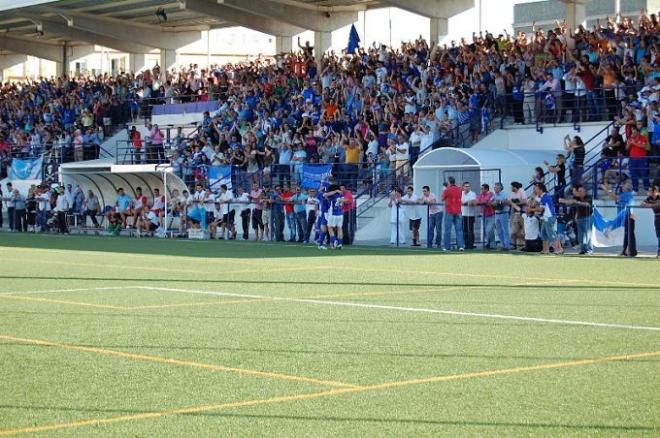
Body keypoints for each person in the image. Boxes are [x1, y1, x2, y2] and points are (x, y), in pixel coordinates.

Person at [605, 180, 636, 257]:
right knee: (627, 234)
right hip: (625, 216)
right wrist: (608, 190)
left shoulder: (626, 195)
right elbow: (615, 199)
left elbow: (614, 197)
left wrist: (608, 189)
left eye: (624, 185)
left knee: (629, 234)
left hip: (628, 216)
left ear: (627, 187)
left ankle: (631, 251)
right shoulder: (625, 195)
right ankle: (625, 250)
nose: (622, 186)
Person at [560, 185, 593, 254]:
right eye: (579, 191)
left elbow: (587, 204)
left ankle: (589, 249)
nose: (580, 192)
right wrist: (564, 201)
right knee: (580, 236)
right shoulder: (577, 198)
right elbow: (572, 203)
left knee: (588, 235)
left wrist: (576, 202)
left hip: (588, 218)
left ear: (584, 191)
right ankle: (583, 249)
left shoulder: (588, 197)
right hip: (580, 218)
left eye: (581, 191)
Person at [532, 183, 563, 255]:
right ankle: (545, 250)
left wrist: (531, 209)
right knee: (544, 234)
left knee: (551, 233)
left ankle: (558, 249)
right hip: (545, 217)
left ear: (540, 189)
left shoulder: (545, 196)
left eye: (536, 189)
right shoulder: (545, 196)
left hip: (549, 217)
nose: (534, 190)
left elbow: (540, 209)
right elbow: (539, 202)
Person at [626, 125, 651, 193]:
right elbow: (627, 148)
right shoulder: (630, 138)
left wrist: (634, 143)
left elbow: (643, 146)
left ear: (637, 131)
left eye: (634, 130)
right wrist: (629, 142)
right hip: (632, 158)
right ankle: (635, 189)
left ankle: (647, 188)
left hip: (642, 158)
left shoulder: (643, 137)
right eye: (632, 131)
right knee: (633, 174)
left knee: (644, 173)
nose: (632, 132)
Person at [442, 177, 464, 251]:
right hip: (458, 211)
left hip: (449, 211)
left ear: (449, 182)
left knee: (448, 230)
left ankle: (447, 247)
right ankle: (460, 246)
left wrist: (444, 189)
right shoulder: (459, 189)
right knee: (459, 230)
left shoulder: (447, 190)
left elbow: (442, 198)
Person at [491, 182, 512, 251]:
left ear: (500, 188)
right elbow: (491, 202)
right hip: (497, 214)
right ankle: (503, 245)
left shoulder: (504, 194)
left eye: (497, 188)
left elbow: (508, 202)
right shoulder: (494, 195)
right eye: (495, 187)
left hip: (504, 213)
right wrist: (493, 203)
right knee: (499, 231)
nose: (495, 189)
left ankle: (507, 246)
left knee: (505, 230)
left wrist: (499, 202)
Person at [640, 184, 659, 257]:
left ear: (654, 191)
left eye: (650, 191)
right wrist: (651, 205)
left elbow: (658, 205)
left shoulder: (659, 196)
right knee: (658, 236)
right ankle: (659, 251)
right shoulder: (649, 198)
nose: (649, 192)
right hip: (656, 218)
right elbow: (641, 204)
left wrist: (649, 205)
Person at [325, 184, 345, 249]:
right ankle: (340, 244)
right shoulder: (341, 194)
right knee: (339, 228)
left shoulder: (332, 194)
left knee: (329, 228)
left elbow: (326, 195)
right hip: (340, 213)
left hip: (333, 213)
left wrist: (335, 191)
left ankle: (334, 242)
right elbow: (342, 202)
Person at [476, 183, 496, 249]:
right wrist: (483, 202)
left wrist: (484, 202)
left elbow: (487, 201)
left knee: (489, 230)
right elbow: (477, 201)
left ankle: (493, 244)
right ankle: (488, 243)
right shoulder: (480, 195)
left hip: (491, 215)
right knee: (486, 230)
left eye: (482, 189)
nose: (481, 190)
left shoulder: (491, 194)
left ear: (486, 189)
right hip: (483, 215)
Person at [508, 182, 527, 250]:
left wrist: (515, 203)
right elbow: (509, 201)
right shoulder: (512, 193)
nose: (511, 188)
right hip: (514, 213)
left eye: (512, 187)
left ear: (515, 187)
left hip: (522, 213)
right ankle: (513, 244)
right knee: (514, 230)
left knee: (523, 230)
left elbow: (525, 201)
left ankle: (524, 245)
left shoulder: (522, 191)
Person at [461, 182, 477, 249]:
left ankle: (470, 245)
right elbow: (459, 201)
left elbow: (472, 202)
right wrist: (466, 202)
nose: (467, 188)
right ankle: (465, 244)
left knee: (470, 230)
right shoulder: (461, 193)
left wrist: (466, 202)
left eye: (468, 186)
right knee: (464, 230)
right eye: (466, 186)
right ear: (463, 187)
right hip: (462, 214)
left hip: (470, 215)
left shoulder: (472, 193)